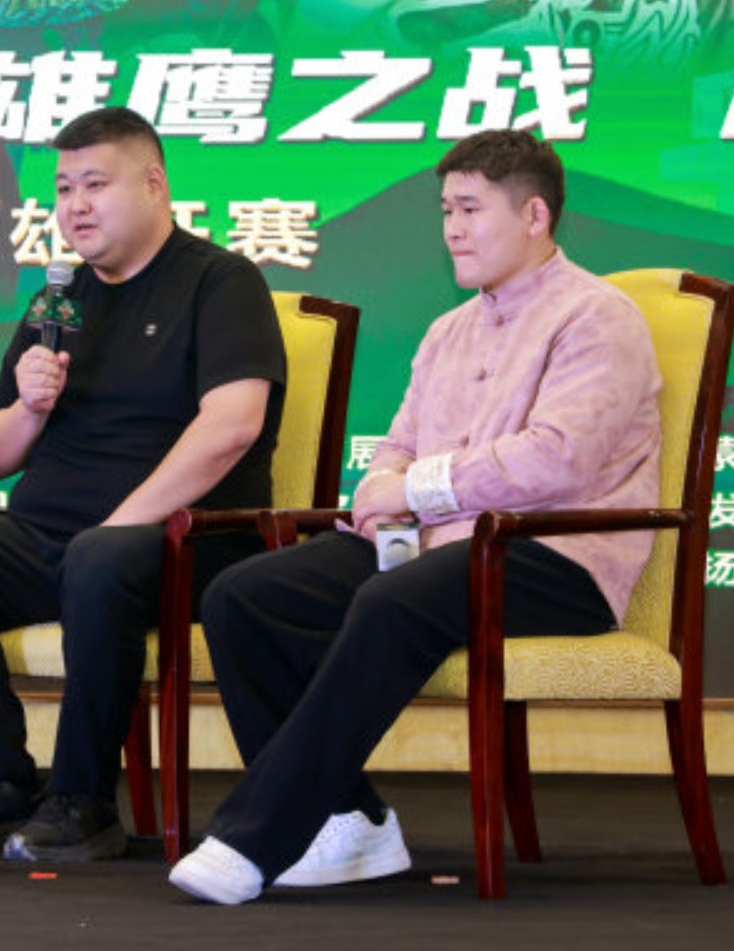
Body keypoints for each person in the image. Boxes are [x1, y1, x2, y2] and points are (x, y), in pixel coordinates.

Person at [169, 129, 662, 904]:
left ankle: (254, 838)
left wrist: (416, 489)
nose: (452, 229)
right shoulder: (446, 330)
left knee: (394, 598)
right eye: (445, 211)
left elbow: (556, 460)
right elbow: (397, 446)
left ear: (533, 215)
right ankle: (349, 820)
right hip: (437, 548)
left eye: (469, 209)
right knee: (244, 594)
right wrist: (383, 490)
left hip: (555, 557)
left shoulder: (599, 317)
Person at [0, 106, 287, 862]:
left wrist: (118, 526)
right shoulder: (58, 300)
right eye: (64, 188)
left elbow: (232, 426)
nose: (75, 205)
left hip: (181, 545)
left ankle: (83, 799)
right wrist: (30, 406)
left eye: (95, 184)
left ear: (154, 184)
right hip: (54, 540)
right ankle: (3, 780)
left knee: (99, 558)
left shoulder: (219, 281)